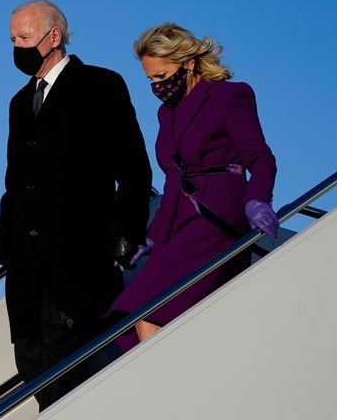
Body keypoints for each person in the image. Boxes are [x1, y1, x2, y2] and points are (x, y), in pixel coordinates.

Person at [0, 0, 153, 410]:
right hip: (27, 270)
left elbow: (134, 168)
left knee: (69, 363)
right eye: (12, 39)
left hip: (78, 258)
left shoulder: (100, 85)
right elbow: (15, 189)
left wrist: (127, 230)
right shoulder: (20, 104)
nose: (17, 46)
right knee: (32, 361)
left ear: (54, 36)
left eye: (25, 37)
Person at [107, 23, 278, 347]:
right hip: (181, 222)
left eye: (161, 76)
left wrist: (258, 199)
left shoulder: (229, 95)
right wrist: (152, 237)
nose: (157, 86)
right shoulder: (165, 113)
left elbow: (261, 157)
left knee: (148, 309)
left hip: (219, 214)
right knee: (136, 320)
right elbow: (175, 178)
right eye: (150, 80)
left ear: (186, 62)